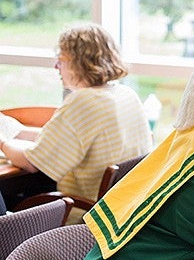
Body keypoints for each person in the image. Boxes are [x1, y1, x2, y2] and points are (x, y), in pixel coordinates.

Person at [0, 23, 152, 206]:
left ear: (80, 62)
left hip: (80, 211)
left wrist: (2, 143)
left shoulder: (84, 102)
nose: (57, 66)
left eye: (61, 59)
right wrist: (17, 131)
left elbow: (32, 163)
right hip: (120, 207)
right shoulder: (125, 95)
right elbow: (62, 140)